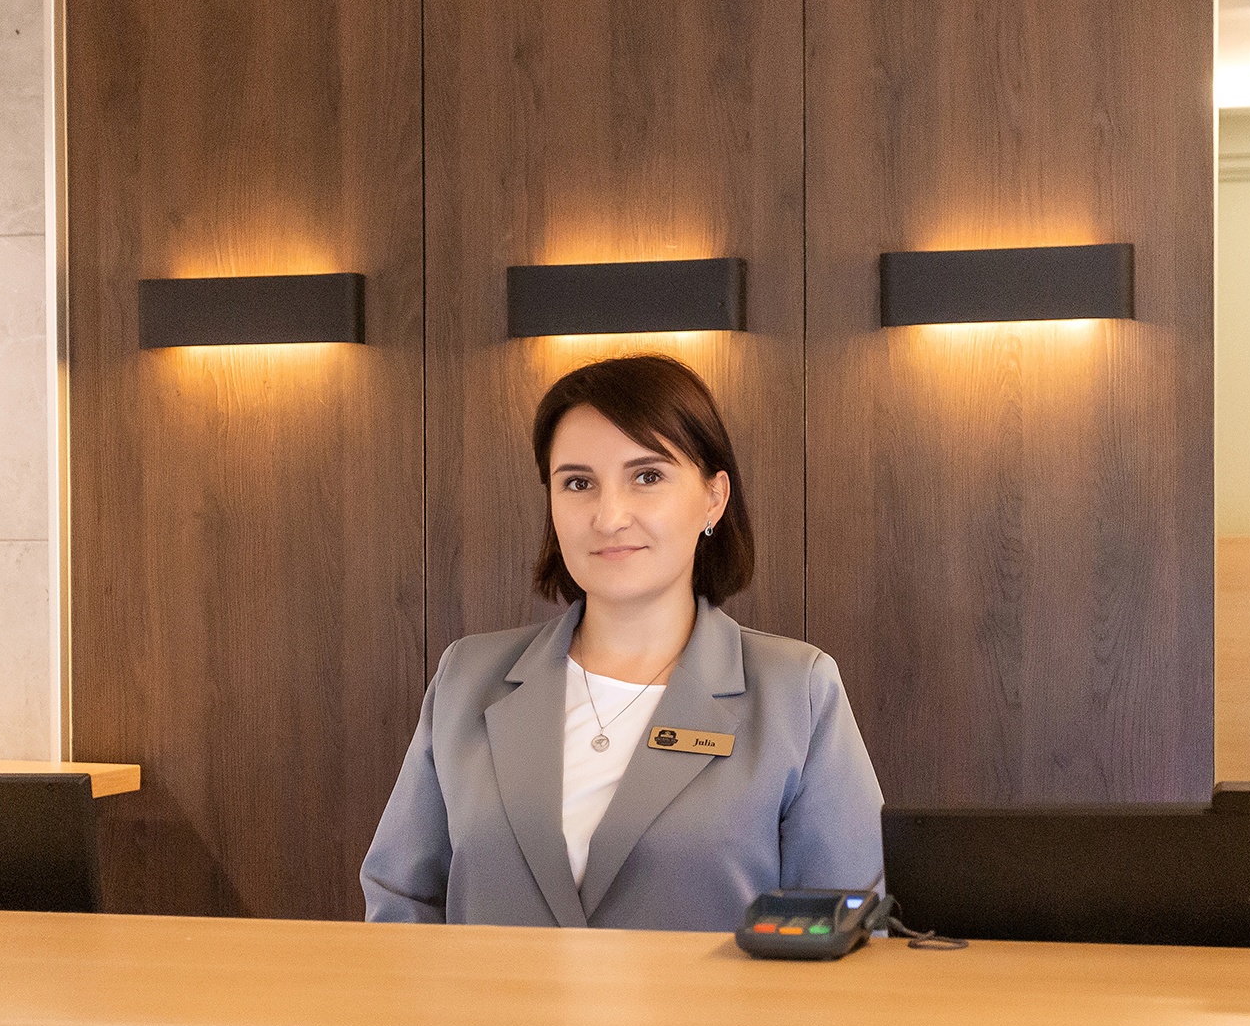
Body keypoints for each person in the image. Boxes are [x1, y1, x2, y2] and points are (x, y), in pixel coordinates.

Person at [361, 354, 883, 929]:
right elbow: (401, 902)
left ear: (713, 498)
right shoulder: (467, 678)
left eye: (647, 476)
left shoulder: (796, 691)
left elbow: (851, 926)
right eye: (578, 483)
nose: (609, 517)